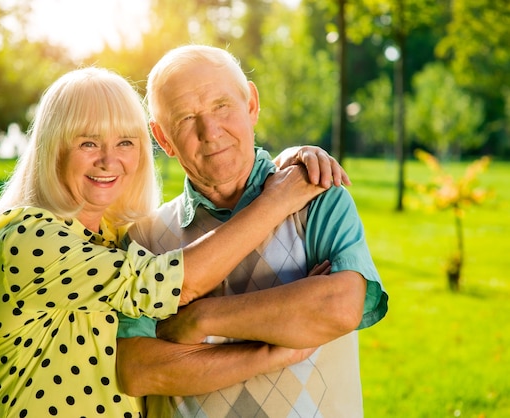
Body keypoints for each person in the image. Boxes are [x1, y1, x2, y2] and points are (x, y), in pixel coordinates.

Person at [0, 66, 342, 417]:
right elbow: (175, 282)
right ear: (53, 147)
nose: (109, 160)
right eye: (87, 143)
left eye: (125, 142)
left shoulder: (114, 237)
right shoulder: (24, 237)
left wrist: (282, 165)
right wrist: (276, 201)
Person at [115, 45, 389, 417]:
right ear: (163, 139)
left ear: (251, 105)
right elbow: (140, 372)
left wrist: (200, 318)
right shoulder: (143, 239)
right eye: (186, 118)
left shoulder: (316, 193)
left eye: (222, 106)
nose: (210, 132)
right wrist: (275, 349)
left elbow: (338, 307)